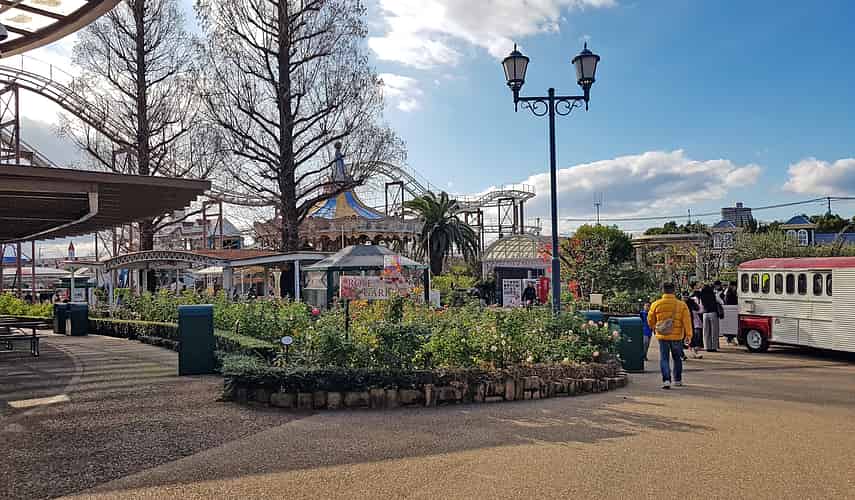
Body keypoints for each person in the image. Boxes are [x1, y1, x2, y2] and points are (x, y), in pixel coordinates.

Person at [647, 283, 693, 389]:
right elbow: (687, 321)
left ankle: (666, 380)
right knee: (677, 358)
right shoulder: (682, 305)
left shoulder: (656, 304)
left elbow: (650, 319)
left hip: (663, 336)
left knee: (664, 358)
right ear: (674, 291)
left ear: (663, 291)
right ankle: (678, 380)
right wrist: (688, 335)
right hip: (677, 337)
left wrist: (654, 328)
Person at [699, 284, 723, 352]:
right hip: (713, 313)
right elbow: (721, 302)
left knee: (706, 331)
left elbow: (701, 306)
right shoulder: (714, 295)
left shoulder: (701, 296)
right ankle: (714, 347)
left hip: (705, 314)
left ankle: (707, 347)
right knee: (714, 331)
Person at [687, 285, 704, 358]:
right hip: (687, 323)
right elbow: (700, 310)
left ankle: (694, 352)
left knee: (692, 337)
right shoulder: (691, 301)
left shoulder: (691, 301)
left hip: (690, 323)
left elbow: (699, 309)